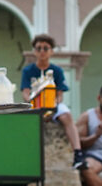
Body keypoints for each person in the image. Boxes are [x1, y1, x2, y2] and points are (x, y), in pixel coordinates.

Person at [20, 34, 86, 169]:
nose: (42, 52)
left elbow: (60, 95)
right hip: (34, 105)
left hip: (52, 104)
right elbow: (25, 93)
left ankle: (78, 154)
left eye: (45, 48)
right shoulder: (28, 70)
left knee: (66, 115)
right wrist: (35, 102)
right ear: (34, 51)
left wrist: (51, 106)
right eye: (39, 48)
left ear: (51, 51)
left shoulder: (57, 70)